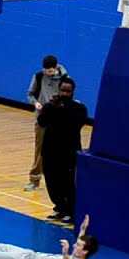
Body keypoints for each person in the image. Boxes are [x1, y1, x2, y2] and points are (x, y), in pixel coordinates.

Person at [36, 77, 88, 224]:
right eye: (62, 90)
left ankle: (71, 211)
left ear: (73, 92)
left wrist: (61, 110)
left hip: (68, 153)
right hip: (50, 151)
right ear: (58, 90)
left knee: (68, 183)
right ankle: (59, 207)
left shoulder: (79, 109)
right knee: (52, 182)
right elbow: (42, 122)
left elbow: (74, 126)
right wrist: (53, 108)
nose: (64, 93)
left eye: (68, 91)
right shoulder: (50, 106)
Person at [24, 54, 67, 191]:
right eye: (45, 71)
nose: (47, 73)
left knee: (59, 150)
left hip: (58, 120)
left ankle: (59, 180)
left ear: (56, 68)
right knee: (40, 150)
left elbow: (68, 98)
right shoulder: (39, 77)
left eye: (50, 71)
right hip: (41, 118)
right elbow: (30, 94)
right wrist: (35, 103)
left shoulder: (65, 79)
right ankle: (34, 179)